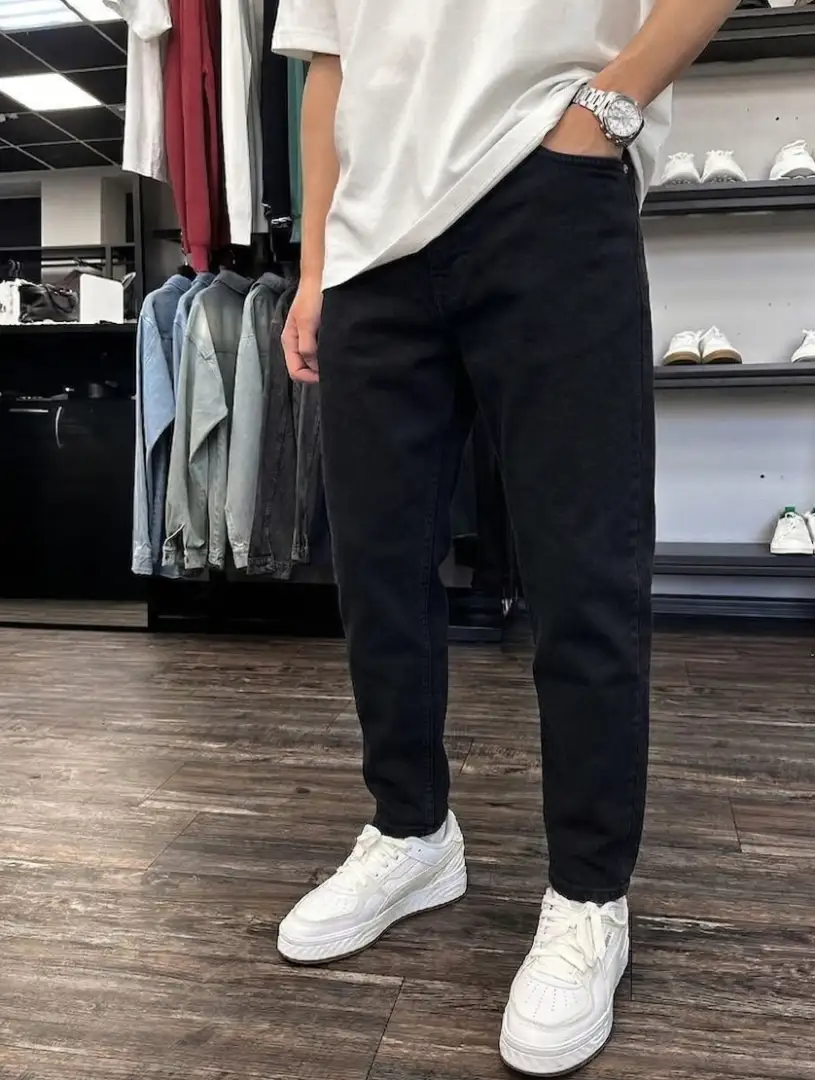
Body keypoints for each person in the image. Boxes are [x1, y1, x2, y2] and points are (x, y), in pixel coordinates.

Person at [272, 1, 740, 1074]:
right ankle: (410, 832)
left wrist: (602, 112)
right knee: (376, 570)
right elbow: (328, 70)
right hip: (370, 247)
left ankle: (587, 894)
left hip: (546, 188)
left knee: (582, 569)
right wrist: (314, 266)